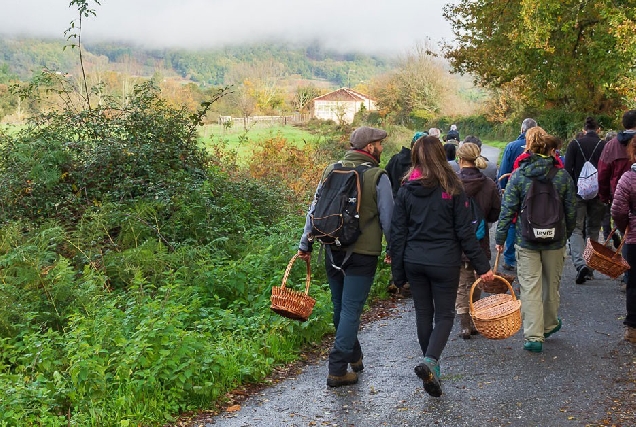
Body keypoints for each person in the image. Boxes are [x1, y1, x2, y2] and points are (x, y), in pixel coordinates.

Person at [389, 135, 494, 397]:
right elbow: (465, 233)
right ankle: (430, 362)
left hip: (414, 261)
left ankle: (431, 364)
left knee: (423, 314)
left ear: (415, 157)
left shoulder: (405, 190)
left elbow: (398, 233)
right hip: (445, 261)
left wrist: (398, 273)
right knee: (445, 315)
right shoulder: (453, 188)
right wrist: (483, 267)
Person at [297, 126, 393, 388]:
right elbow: (388, 220)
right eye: (379, 144)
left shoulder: (332, 169)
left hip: (332, 247)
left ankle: (355, 355)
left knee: (341, 309)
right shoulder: (377, 176)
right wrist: (393, 251)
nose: (382, 148)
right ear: (369, 147)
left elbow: (315, 208)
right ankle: (337, 369)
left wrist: (305, 243)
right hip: (362, 254)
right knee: (350, 310)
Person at [495, 134, 576, 353]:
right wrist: (565, 235)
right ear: (552, 151)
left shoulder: (519, 175)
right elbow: (571, 211)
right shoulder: (562, 177)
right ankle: (549, 324)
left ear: (529, 150)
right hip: (555, 241)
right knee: (552, 284)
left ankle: (533, 336)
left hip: (526, 239)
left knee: (530, 287)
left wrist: (500, 239)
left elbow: (507, 210)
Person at [455, 142, 501, 339]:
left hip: (457, 242)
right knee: (477, 279)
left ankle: (464, 324)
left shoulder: (451, 184)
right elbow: (494, 213)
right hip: (480, 241)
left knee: (461, 284)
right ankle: (474, 320)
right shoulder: (489, 184)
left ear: (460, 159)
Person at [564, 117, 607, 284]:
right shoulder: (604, 145)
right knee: (594, 229)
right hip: (598, 193)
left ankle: (580, 264)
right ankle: (590, 267)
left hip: (577, 193)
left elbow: (567, 170)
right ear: (598, 130)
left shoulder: (575, 144)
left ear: (584, 129)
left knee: (576, 229)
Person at [497, 118, 538, 271]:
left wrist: (503, 189)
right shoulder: (540, 147)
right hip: (535, 191)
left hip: (514, 190)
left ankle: (510, 258)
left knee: (512, 222)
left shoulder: (511, 146)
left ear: (521, 130)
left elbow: (504, 170)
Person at [609, 134, 636, 343]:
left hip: (634, 239)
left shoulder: (629, 178)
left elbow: (617, 210)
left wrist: (624, 226)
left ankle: (633, 328)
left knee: (634, 283)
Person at [385, 131, 425, 198]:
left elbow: (387, 178)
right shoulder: (421, 164)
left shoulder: (395, 159)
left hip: (394, 197)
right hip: (410, 201)